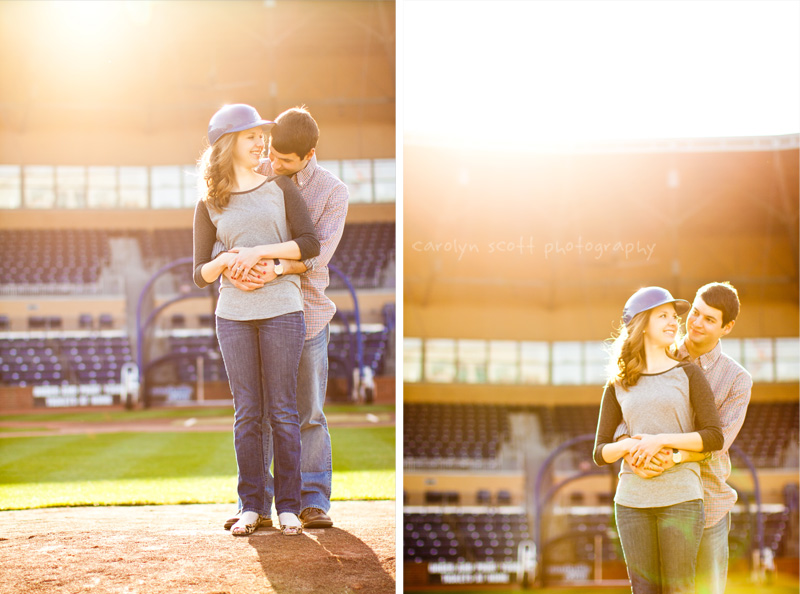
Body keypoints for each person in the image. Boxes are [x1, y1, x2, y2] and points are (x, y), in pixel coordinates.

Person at [192, 104, 320, 536]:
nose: (261, 141)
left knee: (283, 411)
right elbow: (199, 272)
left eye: (261, 135)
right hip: (233, 315)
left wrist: (259, 254)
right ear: (228, 144)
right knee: (248, 413)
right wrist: (228, 260)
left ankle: (287, 505)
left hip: (283, 309)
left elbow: (309, 244)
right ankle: (251, 505)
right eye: (251, 136)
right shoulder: (209, 202)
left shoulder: (281, 187)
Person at [219, 106, 349, 530]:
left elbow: (315, 255)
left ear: (309, 155)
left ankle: (312, 502)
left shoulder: (332, 192)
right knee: (261, 413)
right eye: (271, 154)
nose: (272, 163)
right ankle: (257, 502)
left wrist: (268, 263)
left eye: (284, 161)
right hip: (258, 309)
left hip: (306, 313)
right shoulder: (257, 175)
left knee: (306, 412)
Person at [617, 282, 752, 594]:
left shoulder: (737, 380)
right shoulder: (655, 354)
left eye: (708, 319)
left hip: (708, 502)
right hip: (653, 493)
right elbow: (624, 413)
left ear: (727, 327)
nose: (695, 323)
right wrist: (632, 453)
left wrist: (670, 455)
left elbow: (719, 443)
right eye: (694, 312)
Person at [593, 286, 724, 594]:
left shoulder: (689, 374)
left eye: (673, 316)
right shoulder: (618, 384)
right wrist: (628, 447)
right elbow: (600, 452)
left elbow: (713, 436)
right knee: (643, 590)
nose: (673, 323)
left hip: (681, 499)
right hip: (631, 502)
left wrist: (659, 441)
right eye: (662, 316)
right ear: (641, 324)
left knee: (679, 589)